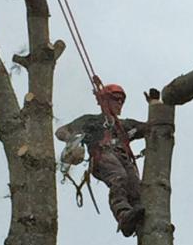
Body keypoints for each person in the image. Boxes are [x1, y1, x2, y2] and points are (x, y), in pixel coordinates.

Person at [55, 84, 148, 237]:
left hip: (123, 158)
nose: (120, 103)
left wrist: (157, 106)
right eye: (116, 99)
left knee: (136, 187)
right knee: (119, 178)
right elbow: (61, 131)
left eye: (122, 101)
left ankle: (140, 220)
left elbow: (149, 128)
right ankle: (123, 215)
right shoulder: (91, 121)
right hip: (102, 155)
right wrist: (72, 140)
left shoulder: (125, 125)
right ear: (104, 100)